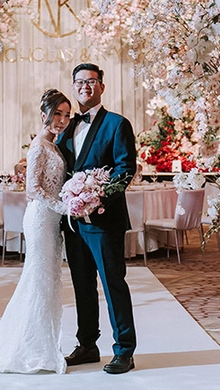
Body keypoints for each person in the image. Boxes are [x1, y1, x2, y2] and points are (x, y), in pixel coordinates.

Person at [0, 89, 71, 374]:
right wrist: (64, 207)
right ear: (44, 113)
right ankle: (27, 347)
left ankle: (42, 344)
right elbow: (33, 189)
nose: (62, 120)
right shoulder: (39, 146)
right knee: (38, 279)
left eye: (67, 115)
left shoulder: (54, 144)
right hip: (42, 218)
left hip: (51, 219)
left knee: (47, 280)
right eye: (58, 113)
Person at [57, 63, 137, 374]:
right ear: (74, 86)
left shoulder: (117, 124)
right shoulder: (66, 127)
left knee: (113, 283)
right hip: (74, 223)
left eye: (91, 82)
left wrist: (96, 199)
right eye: (79, 82)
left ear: (101, 86)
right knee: (82, 286)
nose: (85, 87)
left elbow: (124, 169)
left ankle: (125, 350)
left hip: (104, 221)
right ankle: (88, 344)